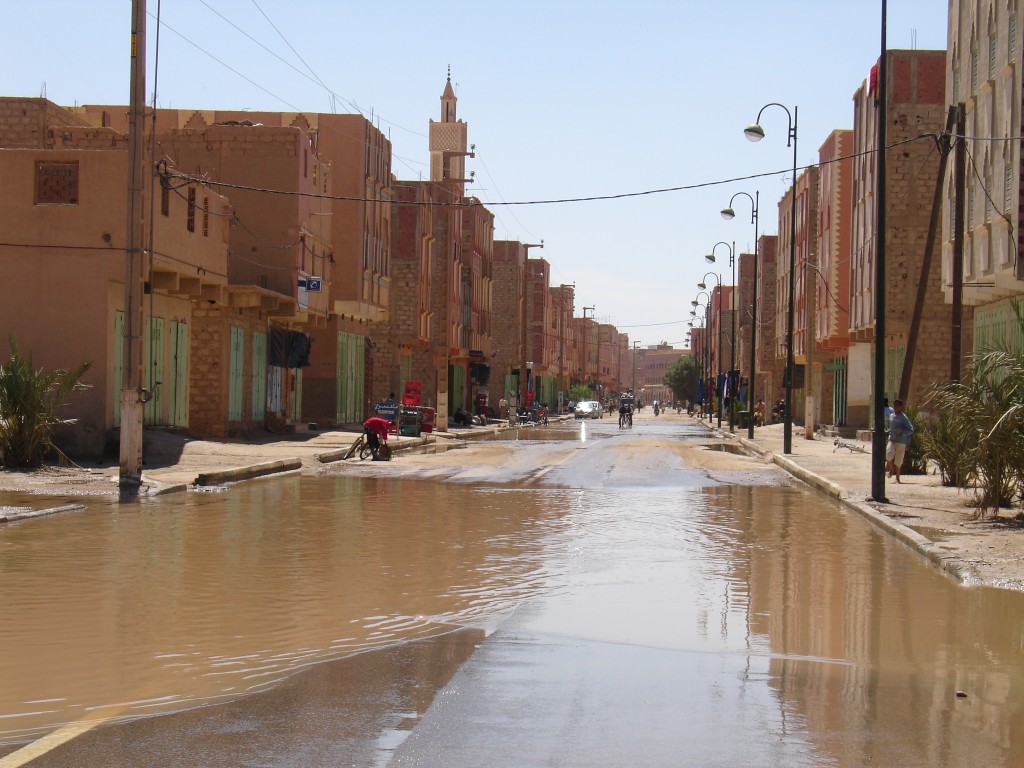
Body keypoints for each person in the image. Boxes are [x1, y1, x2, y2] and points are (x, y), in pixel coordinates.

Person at [885, 399, 915, 483]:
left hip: (901, 441)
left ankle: (897, 477)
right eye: (894, 405)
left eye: (897, 405)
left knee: (899, 459)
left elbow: (911, 429)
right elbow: (891, 428)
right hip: (892, 439)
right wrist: (887, 431)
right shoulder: (891, 416)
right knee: (888, 455)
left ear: (900, 406)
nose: (896, 407)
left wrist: (901, 432)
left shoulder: (903, 417)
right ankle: (891, 470)